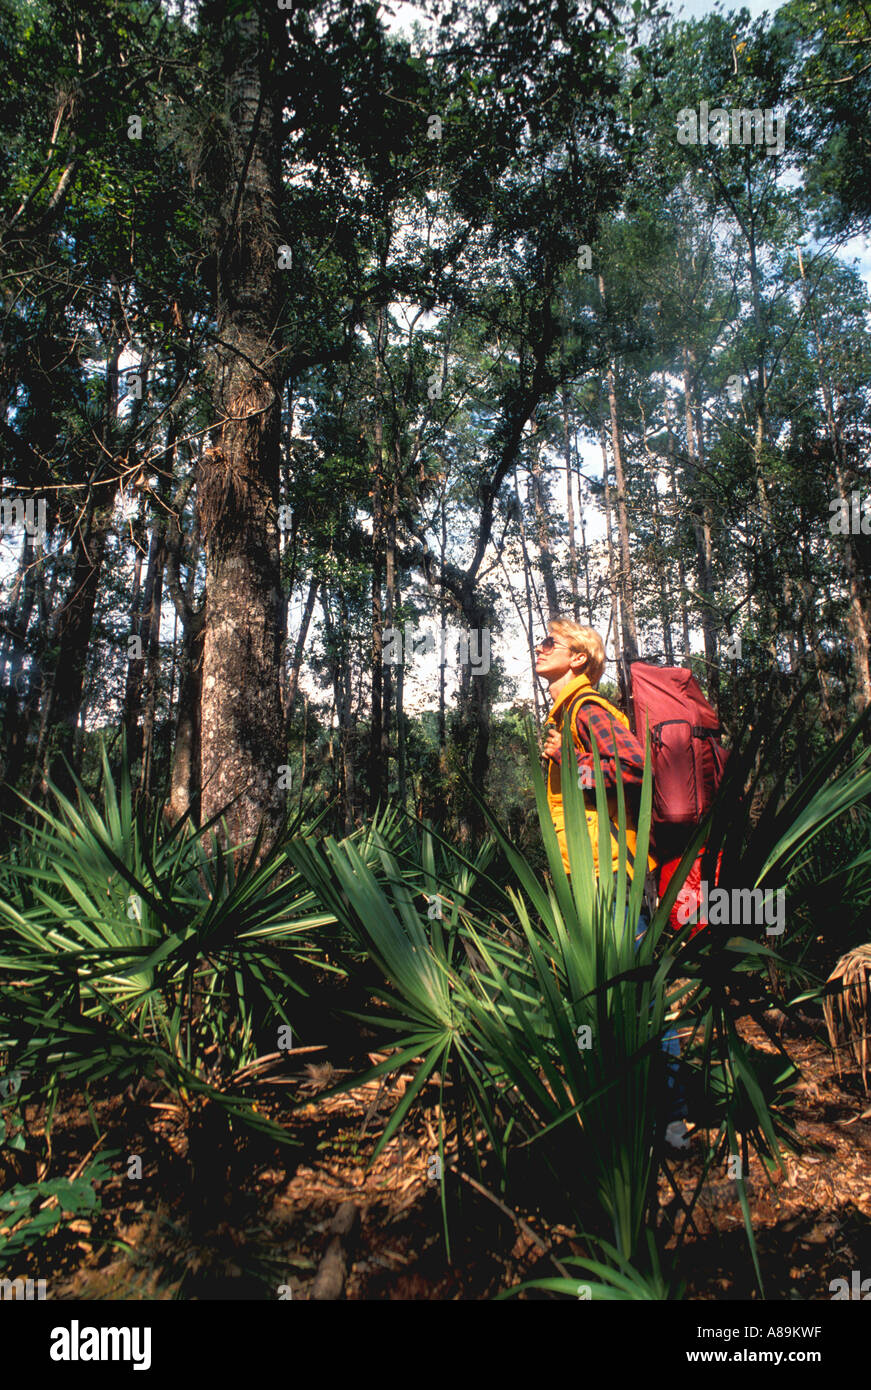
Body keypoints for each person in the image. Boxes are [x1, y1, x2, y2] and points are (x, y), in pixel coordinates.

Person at [536, 619, 689, 1145]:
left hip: (613, 875)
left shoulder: (588, 709)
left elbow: (635, 768)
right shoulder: (567, 713)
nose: (540, 648)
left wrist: (573, 763)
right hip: (590, 875)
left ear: (577, 659)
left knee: (641, 994)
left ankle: (671, 1120)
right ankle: (629, 1111)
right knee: (607, 994)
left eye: (550, 643)